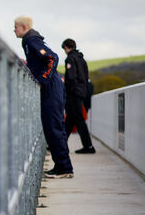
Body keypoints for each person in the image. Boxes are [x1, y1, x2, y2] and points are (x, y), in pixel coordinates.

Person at [14, 16, 74, 178]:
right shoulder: (30, 40)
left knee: (53, 126)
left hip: (51, 87)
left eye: (16, 27)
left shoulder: (31, 40)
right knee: (53, 127)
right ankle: (62, 165)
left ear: (24, 27)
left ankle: (64, 167)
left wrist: (42, 80)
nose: (14, 30)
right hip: (52, 86)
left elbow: (52, 57)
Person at [61, 38, 95, 154]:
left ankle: (89, 146)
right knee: (70, 120)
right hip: (81, 92)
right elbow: (85, 76)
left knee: (78, 119)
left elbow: (70, 77)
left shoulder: (70, 58)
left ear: (66, 47)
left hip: (73, 93)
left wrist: (67, 90)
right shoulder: (81, 59)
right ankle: (60, 144)